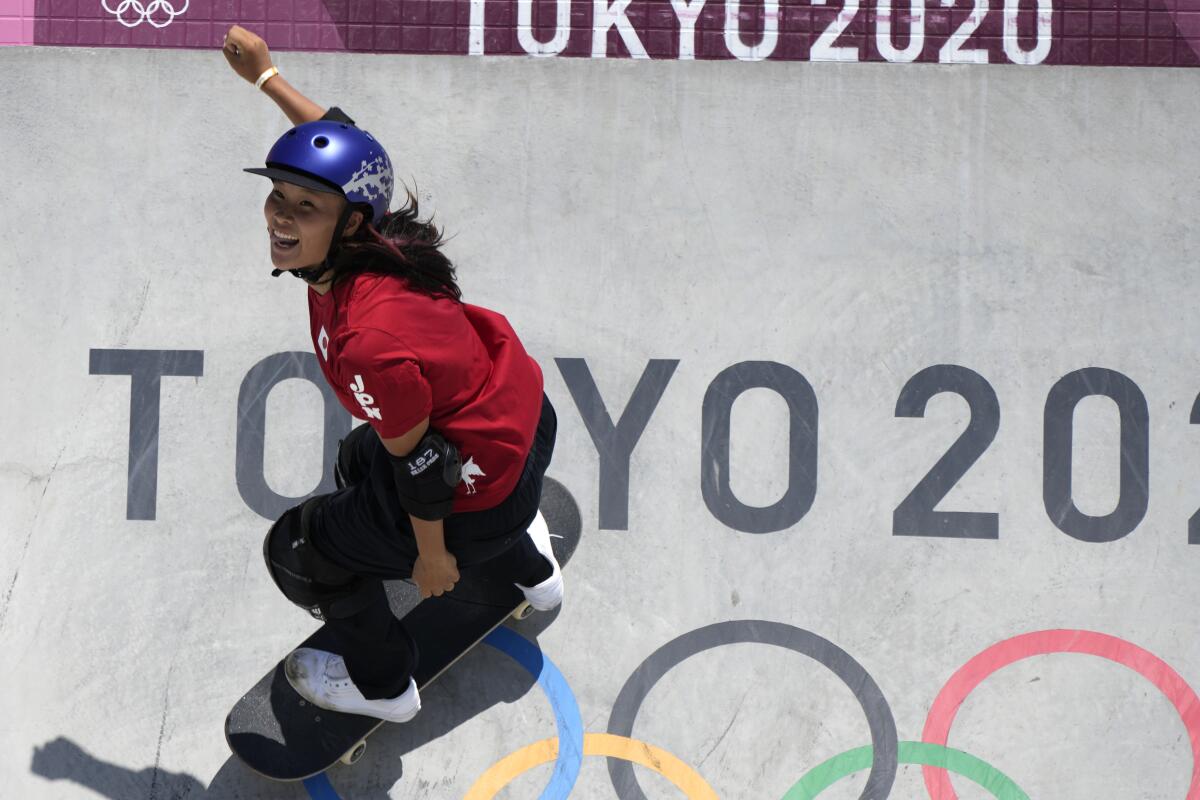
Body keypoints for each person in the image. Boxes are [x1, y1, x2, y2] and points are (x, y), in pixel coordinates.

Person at [221, 25, 564, 723]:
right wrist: (265, 76)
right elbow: (351, 152)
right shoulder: (384, 235)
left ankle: (384, 688)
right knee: (357, 455)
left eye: (305, 209)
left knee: (299, 550)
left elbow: (427, 464)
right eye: (278, 197)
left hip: (475, 484)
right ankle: (530, 566)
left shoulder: (367, 338)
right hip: (520, 422)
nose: (282, 218)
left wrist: (434, 561)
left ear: (348, 225)